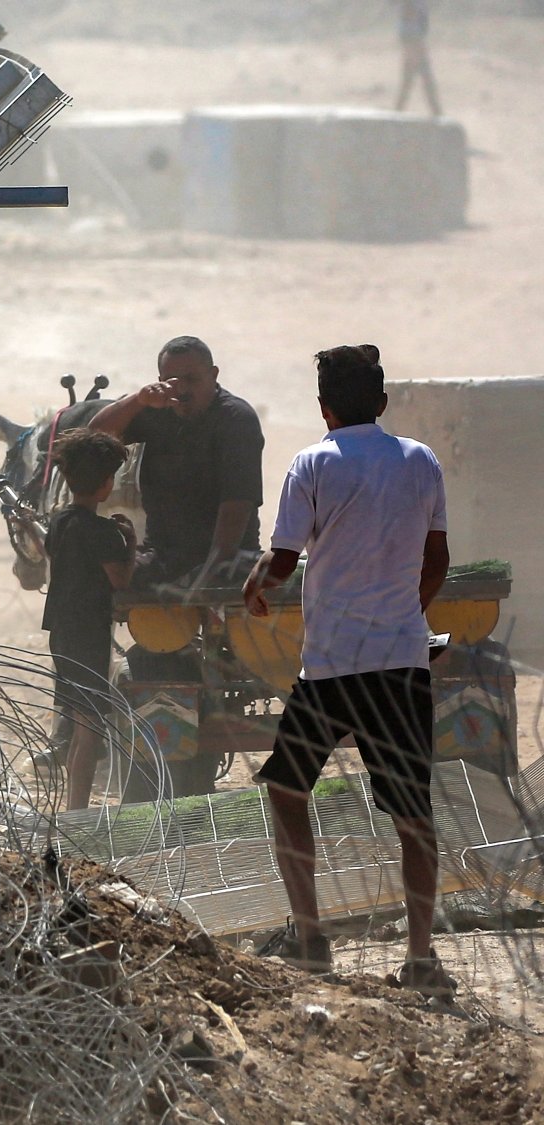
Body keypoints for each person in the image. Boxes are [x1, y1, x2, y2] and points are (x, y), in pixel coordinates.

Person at [242, 344, 454, 997]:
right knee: (412, 813)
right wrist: (405, 616)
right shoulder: (420, 461)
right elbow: (438, 559)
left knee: (286, 790)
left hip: (331, 668)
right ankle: (420, 955)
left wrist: (254, 587)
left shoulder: (312, 463)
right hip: (398, 665)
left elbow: (281, 561)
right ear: (382, 403)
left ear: (324, 407)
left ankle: (311, 935)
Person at [90, 336, 265, 588]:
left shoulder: (236, 419)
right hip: (163, 555)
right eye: (172, 381)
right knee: (93, 577)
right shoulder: (157, 409)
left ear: (213, 375)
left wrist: (207, 579)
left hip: (229, 559)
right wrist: (138, 400)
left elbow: (236, 507)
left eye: (192, 379)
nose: (181, 389)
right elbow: (94, 437)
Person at [42, 429, 138, 811]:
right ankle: (77, 812)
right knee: (89, 730)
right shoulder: (103, 532)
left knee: (80, 724)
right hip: (88, 635)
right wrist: (129, 544)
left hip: (63, 633)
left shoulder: (60, 521)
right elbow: (121, 580)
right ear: (106, 483)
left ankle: (74, 807)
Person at [397, 0, 443, 116]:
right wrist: (413, 51)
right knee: (419, 82)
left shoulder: (418, 4)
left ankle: (438, 115)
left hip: (417, 44)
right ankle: (438, 116)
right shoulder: (410, 5)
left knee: (414, 83)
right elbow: (407, 28)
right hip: (414, 44)